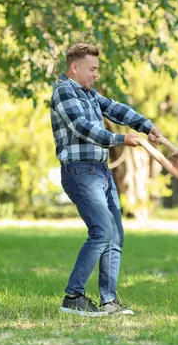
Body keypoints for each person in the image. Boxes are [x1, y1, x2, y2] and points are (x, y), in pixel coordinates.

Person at [50, 43, 163, 317]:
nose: (96, 75)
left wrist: (146, 126)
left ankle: (109, 301)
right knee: (101, 230)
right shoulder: (64, 91)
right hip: (80, 171)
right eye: (92, 69)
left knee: (114, 235)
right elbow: (83, 128)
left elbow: (116, 109)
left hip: (101, 171)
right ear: (74, 67)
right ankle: (73, 296)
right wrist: (121, 139)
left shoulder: (90, 94)